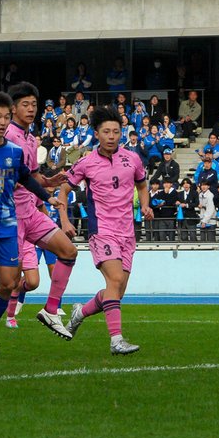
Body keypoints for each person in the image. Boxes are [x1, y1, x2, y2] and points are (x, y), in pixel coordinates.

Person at [0, 92, 60, 360]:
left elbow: (26, 178)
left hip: (7, 222)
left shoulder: (14, 151)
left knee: (9, 284)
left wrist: (47, 196)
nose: (3, 122)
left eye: (7, 117)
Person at [56, 107, 151, 355]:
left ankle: (81, 312)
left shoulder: (133, 158)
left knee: (117, 291)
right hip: (102, 230)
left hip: (127, 232)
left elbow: (142, 185)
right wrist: (64, 220)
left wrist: (146, 205)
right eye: (106, 131)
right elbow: (64, 191)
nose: (111, 136)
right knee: (115, 280)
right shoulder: (86, 163)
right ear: (96, 133)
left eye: (116, 131)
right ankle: (116, 340)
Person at [3, 83, 81, 338]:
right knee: (9, 281)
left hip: (31, 213)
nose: (30, 109)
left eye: (33, 105)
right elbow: (12, 178)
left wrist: (49, 181)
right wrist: (46, 193)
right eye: (24, 104)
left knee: (69, 251)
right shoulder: (8, 136)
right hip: (11, 216)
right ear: (13, 108)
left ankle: (50, 309)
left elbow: (31, 175)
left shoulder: (30, 137)